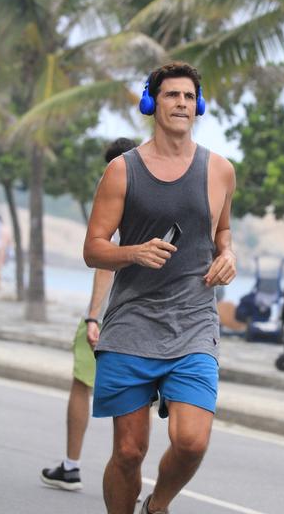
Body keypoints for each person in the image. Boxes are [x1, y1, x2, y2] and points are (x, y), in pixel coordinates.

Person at [83, 61, 236, 514]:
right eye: (172, 95)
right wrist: (132, 253)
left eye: (189, 97)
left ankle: (158, 505)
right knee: (129, 452)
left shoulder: (220, 171)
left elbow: (223, 232)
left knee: (191, 441)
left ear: (199, 105)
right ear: (151, 103)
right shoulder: (122, 171)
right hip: (131, 323)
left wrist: (228, 255)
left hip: (193, 323)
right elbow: (93, 249)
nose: (182, 104)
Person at [41, 137, 137, 491]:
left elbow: (105, 263)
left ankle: (71, 465)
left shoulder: (117, 193)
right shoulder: (148, 196)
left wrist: (93, 315)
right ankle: (125, 475)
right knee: (130, 397)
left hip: (111, 314)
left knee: (83, 386)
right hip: (143, 314)